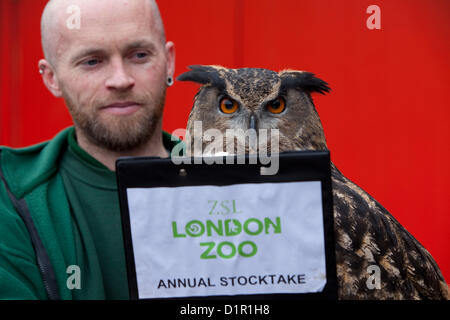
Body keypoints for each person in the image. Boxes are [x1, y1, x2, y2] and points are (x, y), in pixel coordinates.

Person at [0, 0, 178, 299]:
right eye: (92, 61)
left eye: (139, 55)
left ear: (169, 61)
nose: (121, 80)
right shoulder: (10, 197)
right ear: (51, 77)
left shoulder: (239, 184)